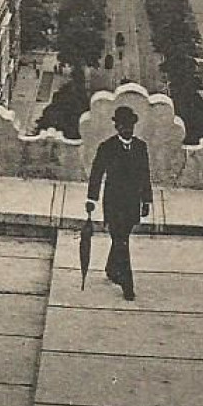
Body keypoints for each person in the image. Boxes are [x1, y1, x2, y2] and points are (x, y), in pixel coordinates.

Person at [86, 105, 155, 301]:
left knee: (120, 240)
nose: (127, 129)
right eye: (123, 126)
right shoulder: (107, 147)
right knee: (122, 242)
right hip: (114, 204)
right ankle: (127, 284)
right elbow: (96, 175)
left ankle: (110, 268)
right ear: (117, 127)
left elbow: (145, 175)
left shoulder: (141, 147)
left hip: (131, 203)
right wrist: (92, 199)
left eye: (130, 126)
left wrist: (146, 201)